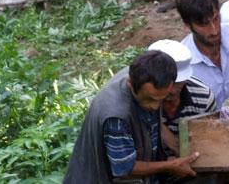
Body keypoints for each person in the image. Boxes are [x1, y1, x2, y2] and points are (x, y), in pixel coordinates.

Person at [64, 50, 201, 183]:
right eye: (150, 99)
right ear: (130, 84)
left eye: (161, 99)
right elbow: (125, 167)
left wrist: (179, 152)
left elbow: (155, 126)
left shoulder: (149, 78)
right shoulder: (116, 116)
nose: (155, 107)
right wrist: (169, 166)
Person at [176, 0, 229, 106]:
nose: (214, 30)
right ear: (187, 24)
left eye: (216, 19)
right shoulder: (183, 62)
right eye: (203, 25)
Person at [147, 40, 216, 156]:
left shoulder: (204, 97)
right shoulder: (141, 97)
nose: (172, 90)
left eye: (178, 83)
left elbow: (210, 143)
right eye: (168, 83)